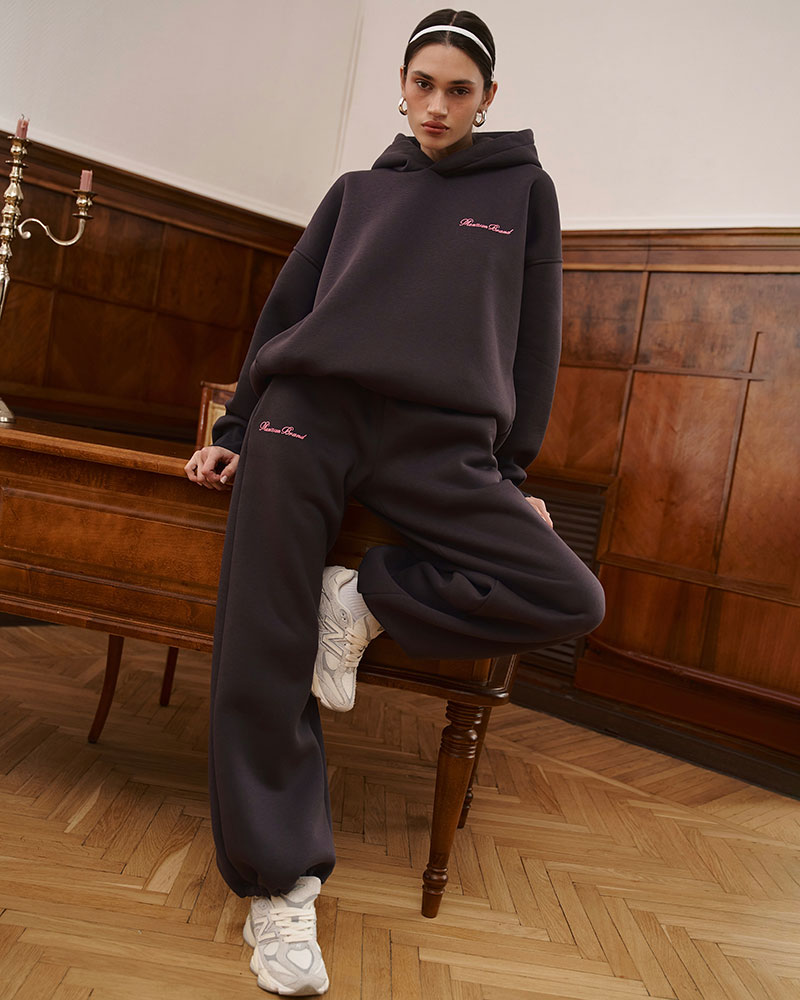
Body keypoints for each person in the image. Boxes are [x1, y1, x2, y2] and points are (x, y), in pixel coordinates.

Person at [185, 9, 605, 996]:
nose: (436, 105)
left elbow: (531, 346)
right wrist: (237, 428)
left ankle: (363, 599)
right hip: (310, 415)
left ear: (488, 98)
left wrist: (511, 478)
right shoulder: (358, 191)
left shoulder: (524, 192)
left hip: (441, 442)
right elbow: (286, 311)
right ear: (402, 84)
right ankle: (279, 886)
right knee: (261, 640)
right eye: (422, 83)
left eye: (458, 90)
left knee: (569, 595)